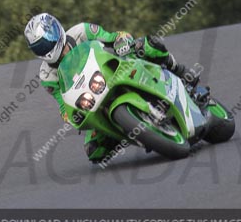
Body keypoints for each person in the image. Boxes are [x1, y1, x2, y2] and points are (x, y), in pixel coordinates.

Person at [24, 12, 204, 163]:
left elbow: (114, 37)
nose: (45, 46)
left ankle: (179, 71)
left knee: (148, 45)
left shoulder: (82, 31)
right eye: (39, 46)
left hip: (116, 67)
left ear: (55, 30)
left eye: (46, 40)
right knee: (94, 151)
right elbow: (62, 103)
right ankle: (134, 132)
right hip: (92, 97)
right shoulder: (46, 75)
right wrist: (70, 116)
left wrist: (122, 42)